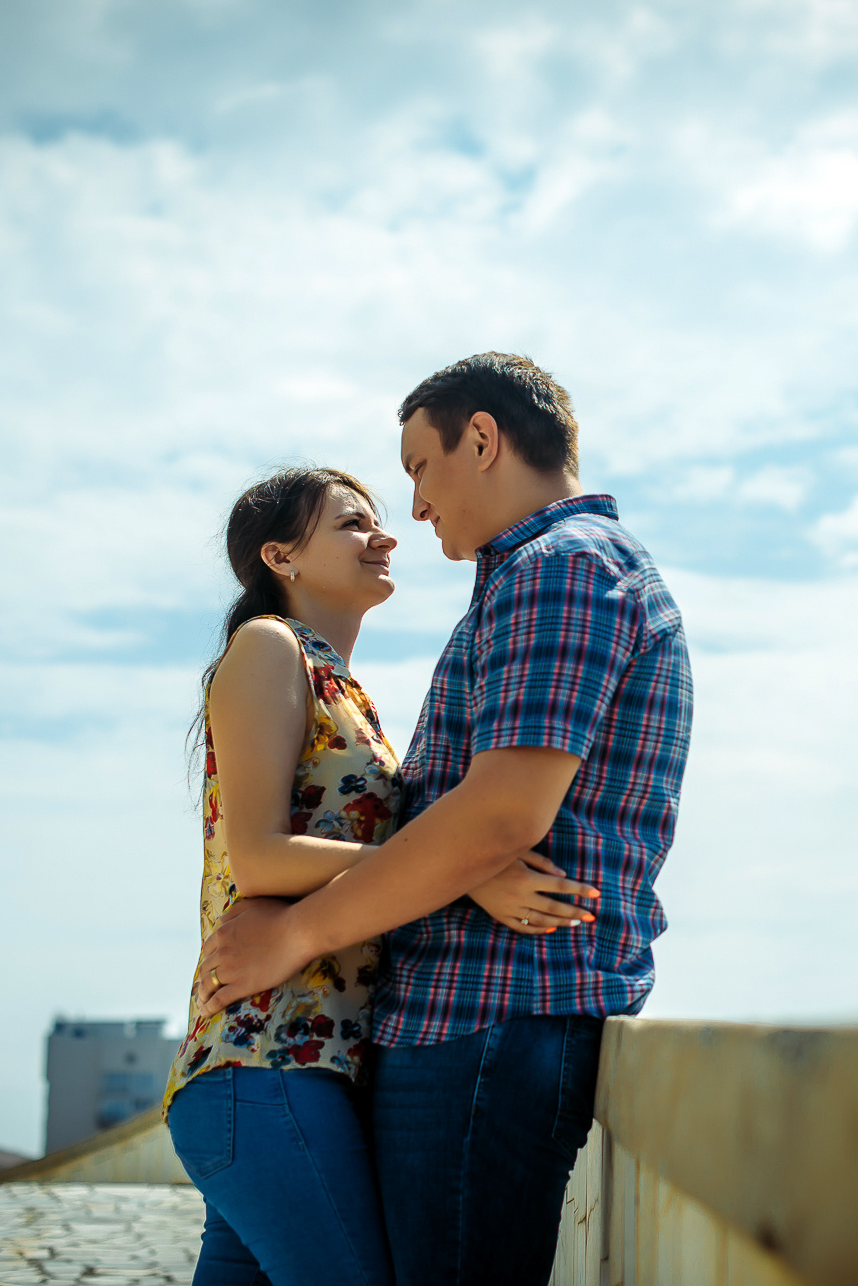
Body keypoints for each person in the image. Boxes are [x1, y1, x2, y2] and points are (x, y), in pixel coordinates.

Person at [193, 354, 695, 1286]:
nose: (413, 509)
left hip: (488, 1012)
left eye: (419, 468)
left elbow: (497, 816)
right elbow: (454, 827)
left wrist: (300, 929)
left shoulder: (561, 568)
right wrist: (471, 867)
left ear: (483, 439)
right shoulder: (528, 578)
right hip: (394, 1032)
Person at [164, 465, 599, 1286]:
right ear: (280, 557)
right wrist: (461, 875)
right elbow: (258, 855)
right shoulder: (268, 646)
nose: (384, 534)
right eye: (351, 523)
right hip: (265, 1060)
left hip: (308, 1071)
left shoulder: (342, 686)